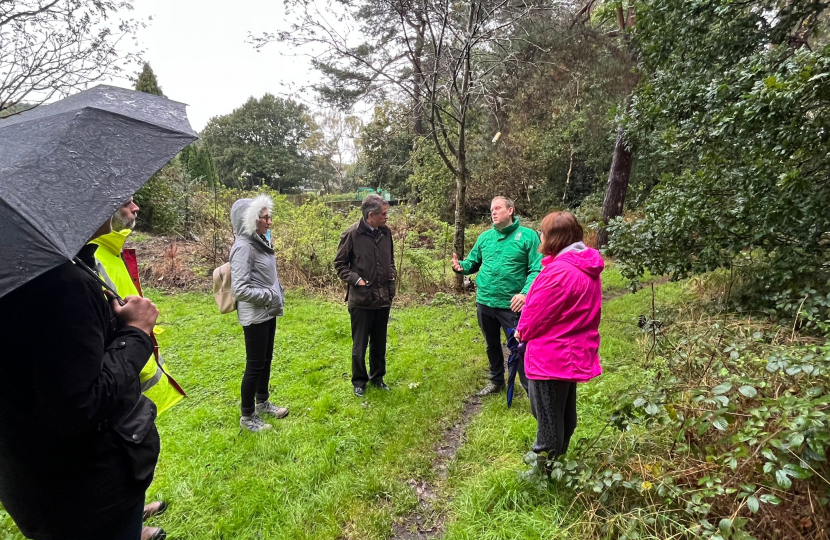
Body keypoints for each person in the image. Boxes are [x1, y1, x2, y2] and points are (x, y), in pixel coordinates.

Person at [0, 217, 162, 540]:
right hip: (89, 495)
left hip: (36, 482)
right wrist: (136, 333)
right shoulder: (62, 285)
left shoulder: (21, 270)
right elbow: (80, 403)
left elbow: (53, 369)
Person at [91, 197, 185, 540]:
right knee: (123, 444)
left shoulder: (111, 251)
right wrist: (137, 330)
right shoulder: (92, 258)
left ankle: (135, 504)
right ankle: (131, 524)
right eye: (126, 202)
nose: (136, 208)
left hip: (129, 366)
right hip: (116, 369)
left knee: (136, 437)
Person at [514, 211, 603, 473]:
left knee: (547, 418)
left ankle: (541, 474)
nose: (540, 236)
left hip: (551, 356)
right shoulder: (583, 264)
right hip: (571, 350)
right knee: (563, 414)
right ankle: (557, 463)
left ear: (554, 237)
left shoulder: (558, 273)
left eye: (542, 232)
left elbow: (535, 314)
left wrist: (521, 332)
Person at [452, 196, 542, 396]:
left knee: (519, 347)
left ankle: (530, 389)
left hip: (512, 304)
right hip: (485, 301)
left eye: (498, 208)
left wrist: (525, 293)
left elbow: (537, 269)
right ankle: (496, 381)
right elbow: (472, 263)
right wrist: (461, 267)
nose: (493, 212)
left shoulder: (527, 236)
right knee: (491, 343)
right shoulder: (485, 238)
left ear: (510, 210)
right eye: (491, 209)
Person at [229, 194, 289, 433]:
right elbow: (240, 289)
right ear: (252, 220)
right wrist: (270, 296)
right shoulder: (243, 248)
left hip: (267, 312)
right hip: (255, 314)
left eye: (269, 216)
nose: (269, 222)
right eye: (265, 217)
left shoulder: (259, 242)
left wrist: (274, 295)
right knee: (254, 364)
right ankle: (247, 416)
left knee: (265, 360)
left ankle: (263, 403)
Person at [334, 194, 397, 398]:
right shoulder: (352, 234)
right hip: (361, 299)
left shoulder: (386, 233)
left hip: (383, 298)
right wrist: (357, 280)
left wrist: (392, 276)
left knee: (379, 343)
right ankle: (359, 381)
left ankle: (378, 378)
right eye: (384, 214)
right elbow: (340, 265)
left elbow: (390, 260)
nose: (387, 217)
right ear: (371, 215)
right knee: (359, 344)